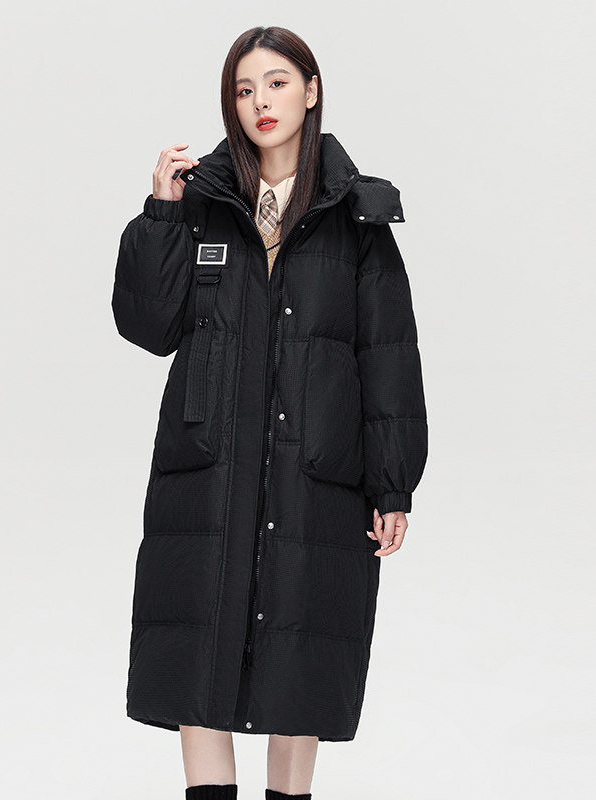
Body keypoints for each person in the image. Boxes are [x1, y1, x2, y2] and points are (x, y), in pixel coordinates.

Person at [111, 25, 428, 800]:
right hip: (206, 469)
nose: (260, 101)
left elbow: (386, 354)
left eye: (277, 82)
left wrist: (392, 484)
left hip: (318, 471)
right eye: (245, 88)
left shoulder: (356, 217)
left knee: (299, 656)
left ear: (311, 91)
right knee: (199, 654)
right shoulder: (199, 206)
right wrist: (160, 215)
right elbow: (148, 326)